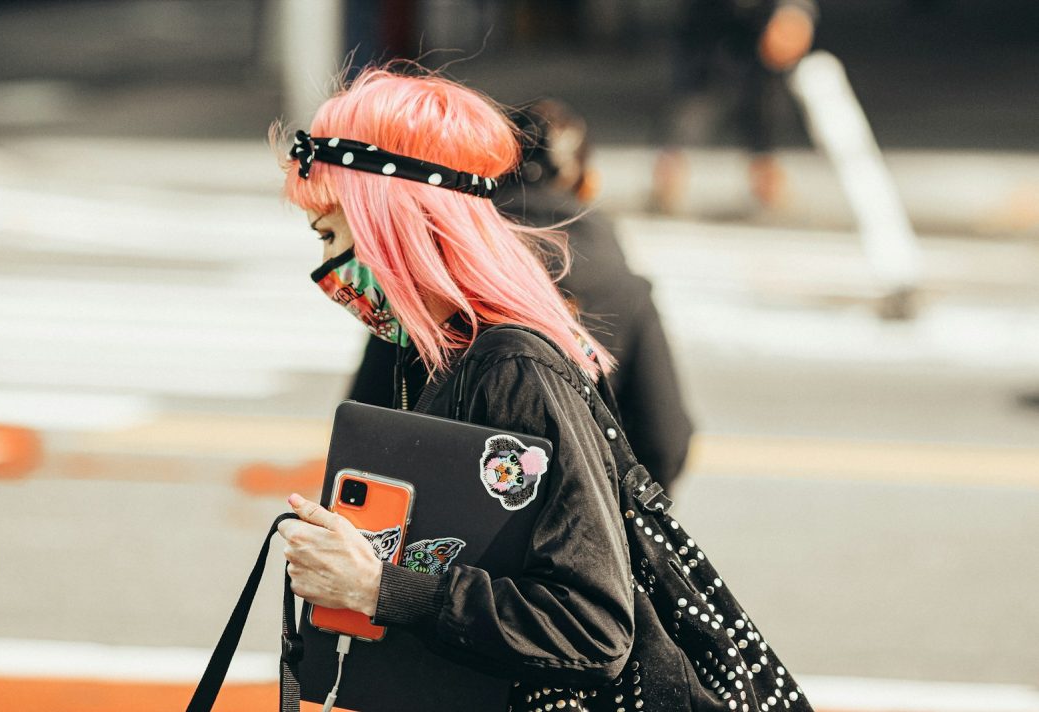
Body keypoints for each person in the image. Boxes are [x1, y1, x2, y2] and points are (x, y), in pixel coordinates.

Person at [274, 65, 634, 710]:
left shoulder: (514, 368)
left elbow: (592, 627)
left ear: (391, 226)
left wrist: (378, 588)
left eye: (329, 234)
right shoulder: (428, 354)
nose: (326, 267)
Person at [349, 98, 694, 487]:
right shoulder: (623, 287)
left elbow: (366, 414)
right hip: (578, 519)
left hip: (439, 516)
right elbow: (665, 437)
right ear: (589, 182)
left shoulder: (435, 274)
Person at [652, 0, 818, 212]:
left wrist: (794, 12)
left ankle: (765, 174)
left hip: (760, 31)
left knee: (763, 102)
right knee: (693, 103)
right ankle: (669, 171)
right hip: (707, 30)